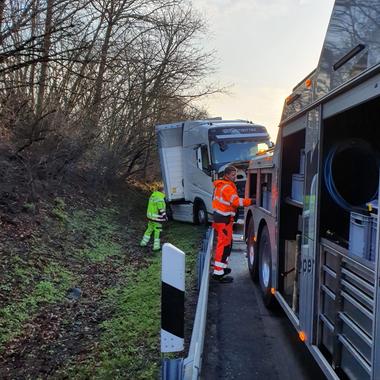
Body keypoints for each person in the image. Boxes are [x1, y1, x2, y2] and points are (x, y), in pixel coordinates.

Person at [212, 166, 253, 283]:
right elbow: (237, 202)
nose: (235, 177)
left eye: (235, 175)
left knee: (226, 245)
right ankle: (218, 273)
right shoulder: (227, 187)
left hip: (222, 219)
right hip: (224, 219)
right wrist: (251, 201)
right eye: (233, 175)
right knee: (224, 245)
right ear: (227, 175)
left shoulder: (221, 185)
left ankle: (221, 269)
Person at [140, 187, 167, 251]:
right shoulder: (160, 197)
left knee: (149, 229)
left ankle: (143, 243)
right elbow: (161, 208)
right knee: (158, 230)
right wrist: (164, 216)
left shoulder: (153, 195)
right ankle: (156, 246)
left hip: (150, 216)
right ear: (163, 191)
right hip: (156, 217)